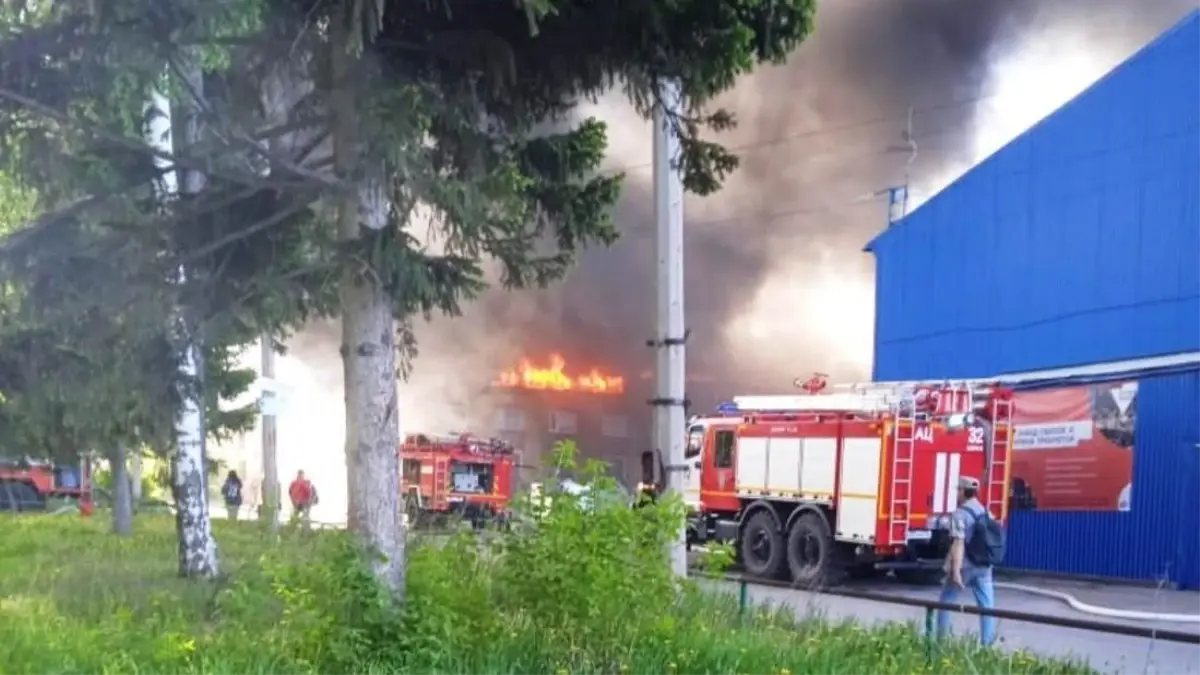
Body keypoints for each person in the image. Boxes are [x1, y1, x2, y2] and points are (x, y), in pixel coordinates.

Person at [937, 475, 1000, 647]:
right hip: (984, 565)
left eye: (958, 489)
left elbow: (958, 543)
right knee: (987, 606)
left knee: (946, 602)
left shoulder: (959, 514)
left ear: (964, 491)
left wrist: (955, 571)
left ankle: (941, 642)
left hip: (965, 566)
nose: (957, 493)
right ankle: (988, 646)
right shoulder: (986, 512)